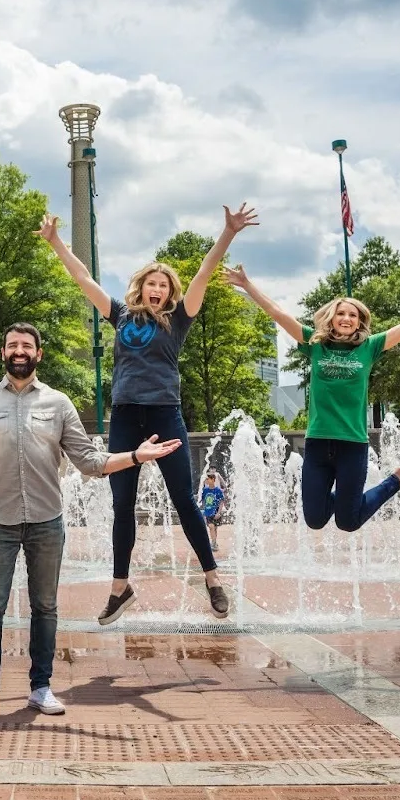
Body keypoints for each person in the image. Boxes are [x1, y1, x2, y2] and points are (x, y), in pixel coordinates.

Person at [0, 323, 181, 721]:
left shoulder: (59, 404)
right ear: (4, 353)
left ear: (38, 354)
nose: (19, 351)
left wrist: (136, 456)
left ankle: (41, 687)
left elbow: (90, 462)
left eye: (26, 345)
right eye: (12, 345)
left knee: (45, 607)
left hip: (46, 520)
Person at [40, 204, 256, 625]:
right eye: (151, 283)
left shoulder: (178, 320)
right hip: (124, 419)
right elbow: (82, 277)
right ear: (141, 287)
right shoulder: (120, 314)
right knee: (122, 505)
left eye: (164, 285)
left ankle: (212, 578)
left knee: (185, 502)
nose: (157, 289)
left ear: (169, 292)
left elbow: (204, 275)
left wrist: (227, 233)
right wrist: (55, 243)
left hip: (164, 417)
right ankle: (120, 588)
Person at [229, 265, 400, 533]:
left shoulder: (370, 347)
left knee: (348, 521)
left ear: (360, 321)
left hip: (352, 445)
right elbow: (278, 313)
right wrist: (247, 284)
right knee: (315, 519)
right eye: (341, 313)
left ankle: (396, 481)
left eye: (352, 315)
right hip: (319, 442)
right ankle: (355, 496)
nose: (346, 318)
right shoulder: (315, 344)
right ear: (331, 319)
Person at [198, 470, 226, 547]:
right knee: (211, 527)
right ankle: (213, 543)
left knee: (215, 528)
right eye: (206, 479)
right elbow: (203, 500)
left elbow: (221, 501)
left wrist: (219, 512)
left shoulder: (218, 490)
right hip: (208, 512)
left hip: (216, 512)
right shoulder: (205, 490)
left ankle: (214, 542)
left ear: (213, 479)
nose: (206, 480)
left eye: (208, 479)